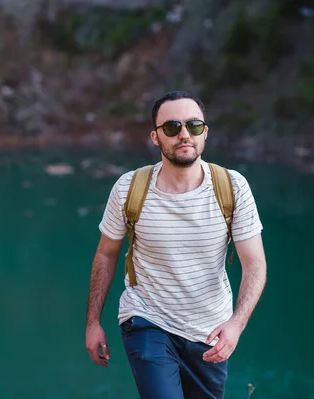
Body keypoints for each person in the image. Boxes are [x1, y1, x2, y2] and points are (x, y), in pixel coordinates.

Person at [85, 90, 267, 399]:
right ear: (156, 137)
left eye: (193, 126)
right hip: (147, 320)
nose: (184, 134)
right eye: (172, 127)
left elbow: (255, 265)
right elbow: (105, 254)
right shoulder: (129, 189)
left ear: (205, 133)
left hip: (209, 331)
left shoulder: (233, 187)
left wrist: (236, 324)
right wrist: (93, 322)